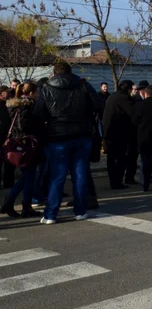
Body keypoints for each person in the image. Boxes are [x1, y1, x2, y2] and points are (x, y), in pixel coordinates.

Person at [35, 61, 103, 224]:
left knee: (57, 176)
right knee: (80, 175)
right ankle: (80, 211)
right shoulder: (83, 85)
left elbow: (38, 115)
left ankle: (51, 214)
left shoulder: (46, 89)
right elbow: (100, 105)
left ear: (54, 72)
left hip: (57, 137)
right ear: (70, 71)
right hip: (82, 135)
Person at [0, 82, 43, 218]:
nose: (37, 95)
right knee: (28, 176)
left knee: (27, 176)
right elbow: (24, 126)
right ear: (31, 93)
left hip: (20, 145)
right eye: (36, 92)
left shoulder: (14, 106)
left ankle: (17, 204)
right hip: (26, 145)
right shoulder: (26, 107)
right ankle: (16, 203)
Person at [102, 80, 135, 189]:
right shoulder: (125, 98)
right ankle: (117, 181)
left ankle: (113, 180)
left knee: (111, 158)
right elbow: (132, 113)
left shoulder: (112, 96)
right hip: (119, 132)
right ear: (128, 89)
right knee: (121, 158)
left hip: (108, 130)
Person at [132, 85, 152, 192]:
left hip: (143, 137)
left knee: (145, 162)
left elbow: (134, 122)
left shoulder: (139, 106)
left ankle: (145, 184)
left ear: (146, 94)